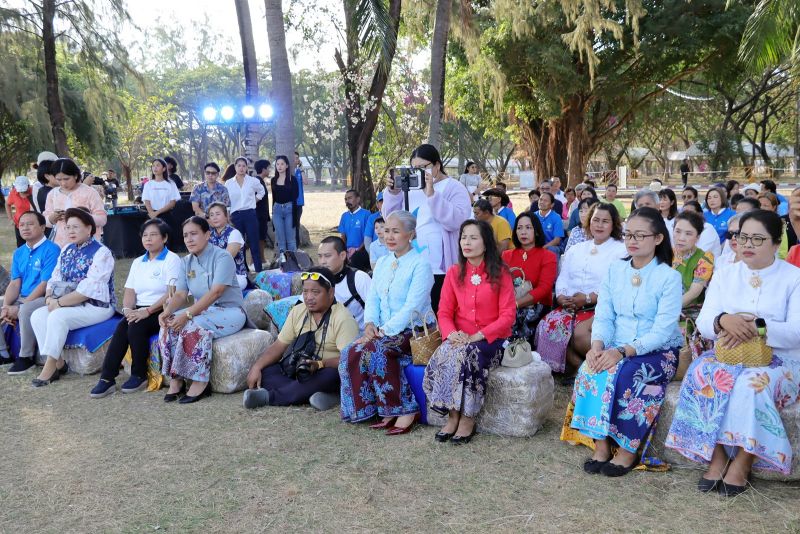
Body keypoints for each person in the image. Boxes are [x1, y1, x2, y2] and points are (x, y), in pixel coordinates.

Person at [665, 210, 800, 495]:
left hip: (781, 359)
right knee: (703, 371)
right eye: (742, 237)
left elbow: (795, 331)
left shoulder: (793, 277)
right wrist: (722, 320)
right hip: (727, 353)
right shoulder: (726, 274)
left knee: (751, 384)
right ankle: (717, 456)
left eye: (758, 239)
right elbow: (705, 321)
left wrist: (757, 326)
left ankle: (743, 460)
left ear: (776, 244)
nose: (747, 244)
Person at [564, 207, 683, 477]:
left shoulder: (669, 278)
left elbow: (663, 331)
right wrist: (597, 347)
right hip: (615, 345)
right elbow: (604, 315)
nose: (633, 240)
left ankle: (628, 450)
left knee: (629, 374)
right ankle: (602, 445)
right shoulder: (615, 270)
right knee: (590, 369)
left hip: (657, 352)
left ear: (658, 239)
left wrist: (623, 352)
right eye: (629, 234)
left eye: (641, 235)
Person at [339, 210, 434, 434]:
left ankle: (403, 409)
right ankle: (368, 408)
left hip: (415, 328)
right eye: (386, 231)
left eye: (396, 232)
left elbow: (412, 306)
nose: (388, 236)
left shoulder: (420, 265)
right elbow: (372, 298)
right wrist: (370, 323)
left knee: (377, 350)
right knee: (351, 351)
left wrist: (383, 331)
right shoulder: (382, 262)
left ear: (410, 234)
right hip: (382, 329)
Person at [424, 220, 515, 445]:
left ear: (486, 244)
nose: (467, 241)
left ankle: (467, 417)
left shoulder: (500, 272)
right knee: (446, 353)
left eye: (473, 237)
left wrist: (479, 335)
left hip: (490, 339)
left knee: (470, 354)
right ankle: (452, 415)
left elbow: (508, 316)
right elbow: (443, 311)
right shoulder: (454, 272)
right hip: (459, 336)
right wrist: (451, 333)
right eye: (464, 236)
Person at [158, 216, 247, 404]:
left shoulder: (222, 257)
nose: (189, 239)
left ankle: (200, 381)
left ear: (207, 235)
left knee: (192, 325)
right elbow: (181, 294)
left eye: (194, 234)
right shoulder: (185, 262)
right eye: (185, 236)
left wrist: (188, 313)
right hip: (204, 311)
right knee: (168, 324)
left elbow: (216, 292)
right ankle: (176, 379)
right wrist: (168, 312)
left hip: (230, 311)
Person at [243, 267, 359, 410]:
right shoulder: (298, 311)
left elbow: (349, 360)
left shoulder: (343, 318)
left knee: (329, 376)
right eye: (305, 291)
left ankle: (269, 397)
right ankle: (318, 395)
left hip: (326, 371)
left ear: (331, 292)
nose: (309, 297)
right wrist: (257, 367)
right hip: (301, 370)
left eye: (315, 292)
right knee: (266, 373)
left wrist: (320, 364)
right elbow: (279, 346)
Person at [89, 218, 181, 398]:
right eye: (145, 235)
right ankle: (107, 378)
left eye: (154, 235)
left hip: (163, 309)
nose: (148, 239)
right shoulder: (138, 262)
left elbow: (171, 293)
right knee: (123, 325)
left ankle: (139, 374)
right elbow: (130, 291)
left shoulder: (172, 260)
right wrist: (127, 310)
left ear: (164, 238)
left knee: (136, 326)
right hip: (139, 309)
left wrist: (147, 311)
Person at [536, 203, 626, 376]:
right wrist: (562, 297)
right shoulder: (576, 249)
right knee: (547, 325)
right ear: (589, 222)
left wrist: (588, 298)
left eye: (605, 221)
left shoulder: (620, 250)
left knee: (577, 335)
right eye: (596, 220)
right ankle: (580, 370)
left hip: (600, 307)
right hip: (570, 305)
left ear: (614, 224)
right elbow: (564, 276)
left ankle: (596, 370)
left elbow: (617, 285)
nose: (599, 225)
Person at [30, 208, 117, 387]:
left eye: (75, 227)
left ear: (89, 228)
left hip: (96, 306)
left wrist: (59, 303)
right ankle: (58, 362)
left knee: (56, 316)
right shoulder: (67, 249)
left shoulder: (102, 253)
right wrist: (48, 298)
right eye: (68, 227)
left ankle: (49, 367)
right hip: (67, 303)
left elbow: (88, 290)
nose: (70, 231)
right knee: (37, 315)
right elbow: (55, 278)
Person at [382, 144, 471, 313]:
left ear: (437, 165)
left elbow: (457, 220)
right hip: (410, 261)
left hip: (440, 265)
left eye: (423, 167)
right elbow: (391, 219)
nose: (419, 172)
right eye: (414, 168)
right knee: (413, 312)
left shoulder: (454, 187)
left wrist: (432, 195)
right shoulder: (409, 187)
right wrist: (393, 193)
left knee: (439, 309)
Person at [0, 211, 60, 373]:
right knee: (1, 304)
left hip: (44, 296)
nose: (25, 228)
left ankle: (26, 358)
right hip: (22, 296)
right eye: (21, 225)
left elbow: (44, 284)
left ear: (42, 227)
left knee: (25, 310)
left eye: (30, 224)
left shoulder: (52, 249)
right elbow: (15, 283)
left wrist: (20, 306)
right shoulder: (19, 252)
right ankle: (4, 354)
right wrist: (6, 306)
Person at [502, 212, 557, 344]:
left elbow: (544, 289)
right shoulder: (506, 255)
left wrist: (516, 304)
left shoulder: (548, 256)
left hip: (536, 306)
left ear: (536, 231)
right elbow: (500, 284)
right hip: (509, 305)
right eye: (519, 228)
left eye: (528, 227)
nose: (523, 232)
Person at [43, 158, 107, 249]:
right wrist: (52, 218)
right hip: (61, 245)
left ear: (76, 176)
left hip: (87, 245)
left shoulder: (89, 192)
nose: (63, 183)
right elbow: (46, 220)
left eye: (66, 179)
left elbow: (102, 219)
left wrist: (80, 216)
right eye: (59, 179)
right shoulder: (53, 194)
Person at [317, 236, 371, 330]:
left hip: (358, 335)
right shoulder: (316, 279)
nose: (322, 262)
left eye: (327, 256)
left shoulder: (359, 278)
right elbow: (301, 307)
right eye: (320, 256)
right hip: (326, 335)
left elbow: (376, 309)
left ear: (342, 255)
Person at [225, 156, 266, 273]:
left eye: (244, 166)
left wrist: (255, 200)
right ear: (235, 167)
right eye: (239, 166)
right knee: (239, 245)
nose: (241, 168)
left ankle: (259, 271)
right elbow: (227, 200)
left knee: (254, 243)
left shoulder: (253, 181)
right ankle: (243, 271)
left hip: (250, 214)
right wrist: (228, 215)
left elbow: (262, 191)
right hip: (236, 216)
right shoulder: (229, 183)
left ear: (247, 167)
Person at [671, 210, 714, 313]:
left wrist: (666, 309)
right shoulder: (666, 253)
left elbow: (693, 293)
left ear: (697, 237)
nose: (681, 238)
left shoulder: (704, 259)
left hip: (688, 313)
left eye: (688, 234)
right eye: (677, 231)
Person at [207, 203, 249, 290]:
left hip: (235, 275)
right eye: (211, 215)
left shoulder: (234, 233)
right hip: (213, 274)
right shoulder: (209, 235)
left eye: (218, 214)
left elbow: (226, 259)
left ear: (226, 216)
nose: (214, 217)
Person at [142, 158, 181, 242]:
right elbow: (146, 200)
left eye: (157, 165)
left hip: (166, 216)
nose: (155, 168)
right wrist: (151, 213)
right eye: (153, 166)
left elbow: (172, 203)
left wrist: (157, 213)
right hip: (151, 215)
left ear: (164, 169)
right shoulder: (148, 184)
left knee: (167, 240)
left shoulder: (171, 184)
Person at [271, 155, 299, 254]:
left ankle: (294, 263)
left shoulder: (293, 179)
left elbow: (296, 195)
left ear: (287, 166)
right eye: (277, 164)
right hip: (277, 210)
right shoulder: (273, 180)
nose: (279, 166)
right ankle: (283, 264)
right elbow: (274, 198)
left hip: (289, 209)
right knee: (281, 241)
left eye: (282, 164)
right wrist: (273, 212)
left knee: (290, 240)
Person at [338, 189, 371, 257]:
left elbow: (368, 236)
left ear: (358, 199)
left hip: (362, 251)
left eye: (350, 198)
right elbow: (343, 236)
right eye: (346, 199)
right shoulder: (344, 216)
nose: (347, 201)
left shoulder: (366, 214)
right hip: (347, 252)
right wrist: (346, 250)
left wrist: (357, 250)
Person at [758, 192, 789, 258]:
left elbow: (783, 251)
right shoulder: (751, 223)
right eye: (759, 205)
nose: (761, 208)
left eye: (765, 205)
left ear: (774, 207)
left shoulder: (779, 224)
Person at [253, 159, 272, 263]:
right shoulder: (256, 182)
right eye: (268, 168)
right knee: (257, 238)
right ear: (263, 169)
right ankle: (254, 261)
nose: (269, 170)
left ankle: (262, 258)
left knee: (262, 237)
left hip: (263, 215)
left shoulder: (261, 181)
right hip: (257, 215)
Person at [6, 177, 33, 247]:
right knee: (21, 246)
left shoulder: (34, 191)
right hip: (19, 224)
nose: (22, 192)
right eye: (20, 191)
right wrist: (10, 218)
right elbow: (7, 204)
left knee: (33, 245)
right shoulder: (14, 193)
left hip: (33, 224)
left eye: (24, 190)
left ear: (28, 186)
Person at [293, 151, 308, 245]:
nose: (296, 159)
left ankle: (297, 244)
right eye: (294, 158)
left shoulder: (299, 171)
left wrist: (302, 169)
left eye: (297, 158)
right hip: (290, 202)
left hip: (298, 202)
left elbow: (306, 182)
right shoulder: (288, 171)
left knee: (296, 224)